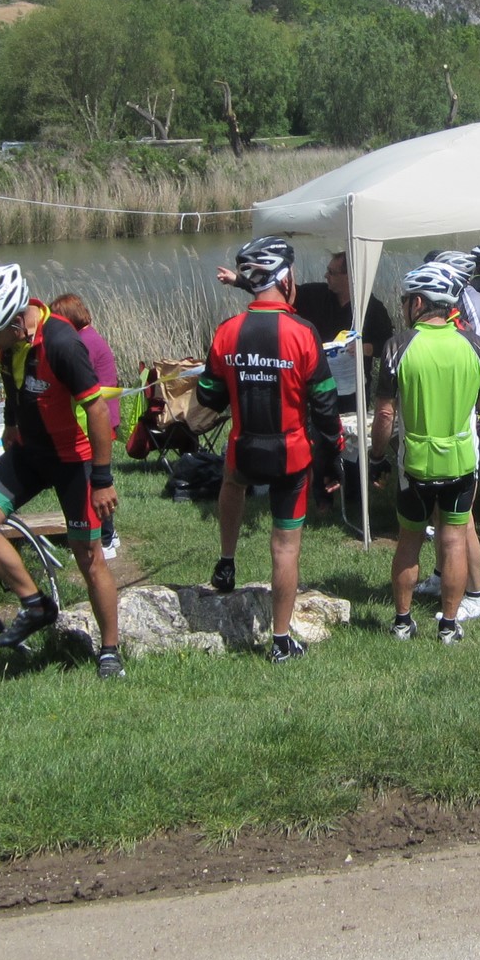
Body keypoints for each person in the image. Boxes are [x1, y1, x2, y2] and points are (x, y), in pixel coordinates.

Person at [0, 265, 125, 677]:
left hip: (74, 461)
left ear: (15, 321)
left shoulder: (63, 343)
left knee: (89, 558)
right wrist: (12, 425)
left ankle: (110, 650)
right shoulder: (9, 344)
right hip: (30, 453)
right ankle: (35, 604)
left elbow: (98, 411)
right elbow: (14, 388)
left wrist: (102, 480)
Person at [197, 237, 342, 663]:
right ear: (286, 278)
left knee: (231, 480)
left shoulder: (227, 331)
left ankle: (226, 561)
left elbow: (208, 397)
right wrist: (333, 454)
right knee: (285, 547)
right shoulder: (303, 333)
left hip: (243, 450)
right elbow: (325, 406)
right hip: (291, 456)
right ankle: (280, 640)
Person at [373, 261, 480, 643]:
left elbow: (385, 414)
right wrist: (472, 410)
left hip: (414, 463)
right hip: (461, 461)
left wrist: (377, 457)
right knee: (453, 541)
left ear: (417, 303)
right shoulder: (473, 343)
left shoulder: (398, 346)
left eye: (405, 301)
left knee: (409, 540)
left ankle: (402, 622)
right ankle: (448, 626)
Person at [50, 293, 124, 558]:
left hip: (96, 421)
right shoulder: (88, 337)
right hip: (98, 417)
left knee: (95, 481)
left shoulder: (83, 342)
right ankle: (105, 535)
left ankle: (106, 537)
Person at [289, 251, 395, 412]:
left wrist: (366, 348)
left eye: (331, 272)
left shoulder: (371, 308)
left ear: (349, 277)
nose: (326, 275)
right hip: (320, 385)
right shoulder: (317, 295)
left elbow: (387, 345)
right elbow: (286, 293)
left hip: (353, 391)